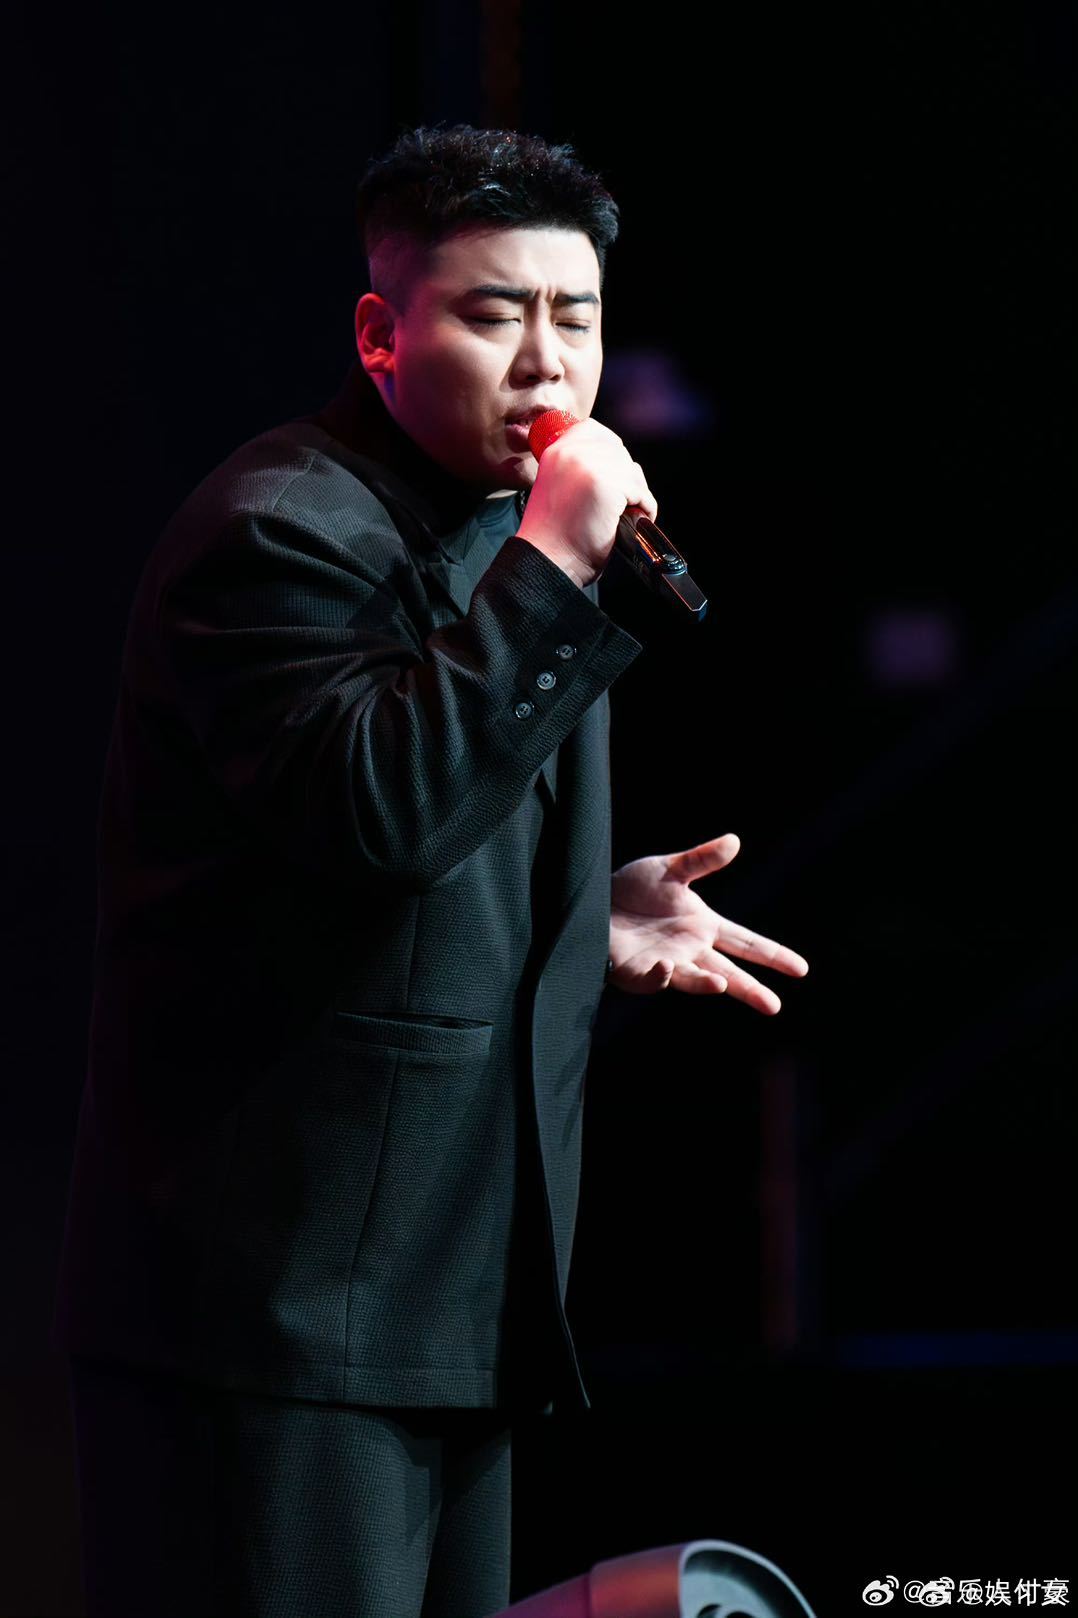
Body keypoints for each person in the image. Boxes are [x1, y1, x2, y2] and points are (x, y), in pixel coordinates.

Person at [51, 124, 809, 1618]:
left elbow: (383, 855)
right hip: (277, 1323)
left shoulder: (501, 536)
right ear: (380, 334)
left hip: (443, 1307)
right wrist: (556, 562)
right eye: (493, 314)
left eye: (576, 317)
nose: (546, 363)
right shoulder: (280, 533)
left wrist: (573, 918)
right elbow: (379, 812)